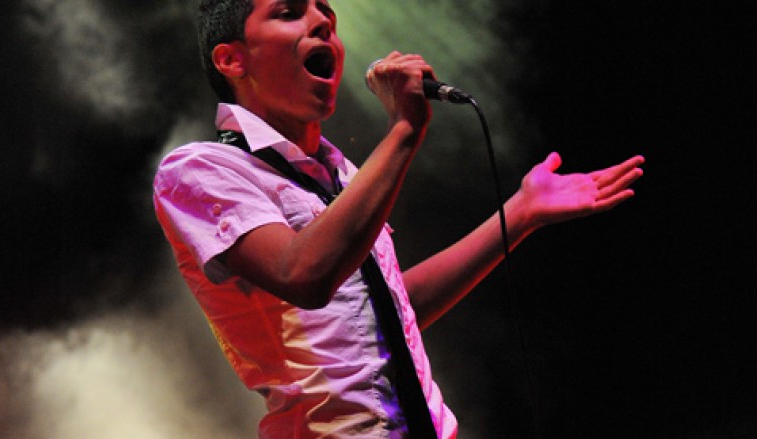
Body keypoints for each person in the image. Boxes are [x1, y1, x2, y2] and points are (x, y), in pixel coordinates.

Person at [152, 0, 645, 437]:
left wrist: (518, 215)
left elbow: (388, 309)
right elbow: (301, 274)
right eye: (289, 12)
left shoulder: (343, 175)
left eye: (327, 13)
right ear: (232, 59)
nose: (322, 22)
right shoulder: (199, 171)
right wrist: (405, 128)